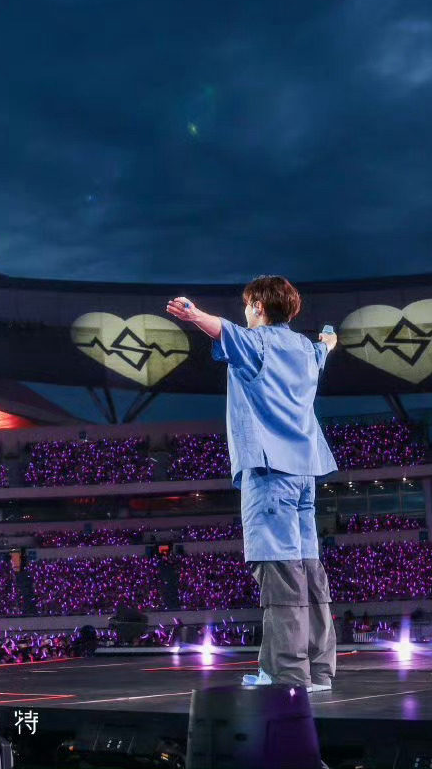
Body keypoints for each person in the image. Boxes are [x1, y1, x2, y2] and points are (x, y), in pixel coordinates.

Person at [168, 276, 338, 691]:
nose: (245, 310)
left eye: (248, 304)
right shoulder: (306, 349)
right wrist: (329, 340)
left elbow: (222, 330)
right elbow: (324, 349)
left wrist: (193, 314)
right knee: (309, 572)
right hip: (305, 474)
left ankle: (286, 673)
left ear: (259, 307)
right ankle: (318, 672)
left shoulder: (257, 343)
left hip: (269, 472)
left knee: (280, 575)